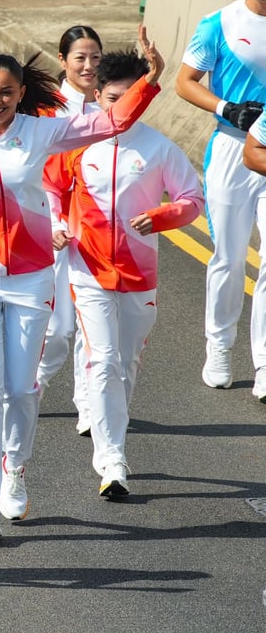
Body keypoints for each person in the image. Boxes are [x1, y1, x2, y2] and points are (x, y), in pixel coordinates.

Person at [0, 27, 163, 540]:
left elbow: (111, 121)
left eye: (6, 92)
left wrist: (151, 79)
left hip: (30, 281)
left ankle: (15, 470)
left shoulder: (44, 132)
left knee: (22, 391)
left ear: (20, 93)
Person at [46, 49, 203, 497]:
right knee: (104, 360)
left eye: (134, 96)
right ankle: (112, 460)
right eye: (115, 98)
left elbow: (192, 198)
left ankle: (110, 427)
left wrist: (165, 214)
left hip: (139, 275)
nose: (123, 108)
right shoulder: (76, 142)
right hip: (87, 269)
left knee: (126, 363)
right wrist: (58, 225)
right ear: (97, 95)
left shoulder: (158, 147)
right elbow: (50, 188)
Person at [176, 0, 266, 397]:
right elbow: (185, 80)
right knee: (229, 257)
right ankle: (220, 345)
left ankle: (265, 361)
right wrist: (226, 107)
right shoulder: (218, 23)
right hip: (232, 146)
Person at [37, 26, 103, 437]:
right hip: (52, 229)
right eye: (80, 57)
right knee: (59, 328)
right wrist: (52, 223)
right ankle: (34, 383)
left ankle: (87, 402)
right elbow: (34, 174)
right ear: (62, 61)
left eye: (95, 57)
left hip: (94, 232)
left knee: (91, 324)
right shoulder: (45, 110)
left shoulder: (106, 108)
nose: (89, 66)